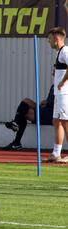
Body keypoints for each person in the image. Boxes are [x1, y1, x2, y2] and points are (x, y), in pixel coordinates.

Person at [3, 84, 54, 150]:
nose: (53, 73)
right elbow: (50, 101)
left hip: (52, 115)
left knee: (24, 113)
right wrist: (45, 102)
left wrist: (48, 103)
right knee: (25, 102)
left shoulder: (63, 85)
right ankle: (16, 128)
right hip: (46, 110)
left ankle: (16, 138)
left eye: (54, 72)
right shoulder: (53, 85)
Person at [46, 27, 68, 163]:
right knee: (56, 121)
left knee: (66, 122)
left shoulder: (65, 51)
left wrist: (62, 82)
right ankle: (56, 153)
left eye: (49, 39)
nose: (48, 42)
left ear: (56, 38)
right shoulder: (59, 53)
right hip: (58, 93)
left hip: (65, 93)